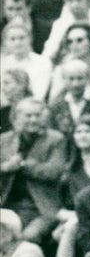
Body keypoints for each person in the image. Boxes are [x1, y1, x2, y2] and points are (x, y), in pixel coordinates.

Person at [0, 97, 68, 246]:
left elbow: (53, 171)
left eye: (37, 115)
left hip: (41, 207)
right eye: (28, 116)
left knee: (28, 237)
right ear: (17, 117)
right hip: (8, 204)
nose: (33, 120)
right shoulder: (4, 140)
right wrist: (5, 167)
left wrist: (23, 165)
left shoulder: (55, 139)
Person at [51, 115, 90, 257]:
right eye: (79, 132)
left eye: (88, 131)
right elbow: (58, 206)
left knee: (70, 229)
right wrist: (74, 217)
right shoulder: (70, 170)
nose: (83, 136)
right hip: (79, 221)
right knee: (70, 228)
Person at [0, 17, 51, 102]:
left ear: (30, 39)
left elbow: (39, 95)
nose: (17, 43)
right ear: (5, 43)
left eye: (22, 38)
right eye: (12, 39)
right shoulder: (2, 63)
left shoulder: (42, 62)